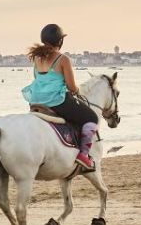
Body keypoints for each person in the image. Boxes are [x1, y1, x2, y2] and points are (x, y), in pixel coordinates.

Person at [22, 23, 98, 172]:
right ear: (60, 41)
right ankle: (83, 155)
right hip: (56, 101)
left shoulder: (37, 58)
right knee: (92, 118)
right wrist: (77, 90)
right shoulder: (63, 59)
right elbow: (71, 87)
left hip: (36, 101)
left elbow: (37, 78)